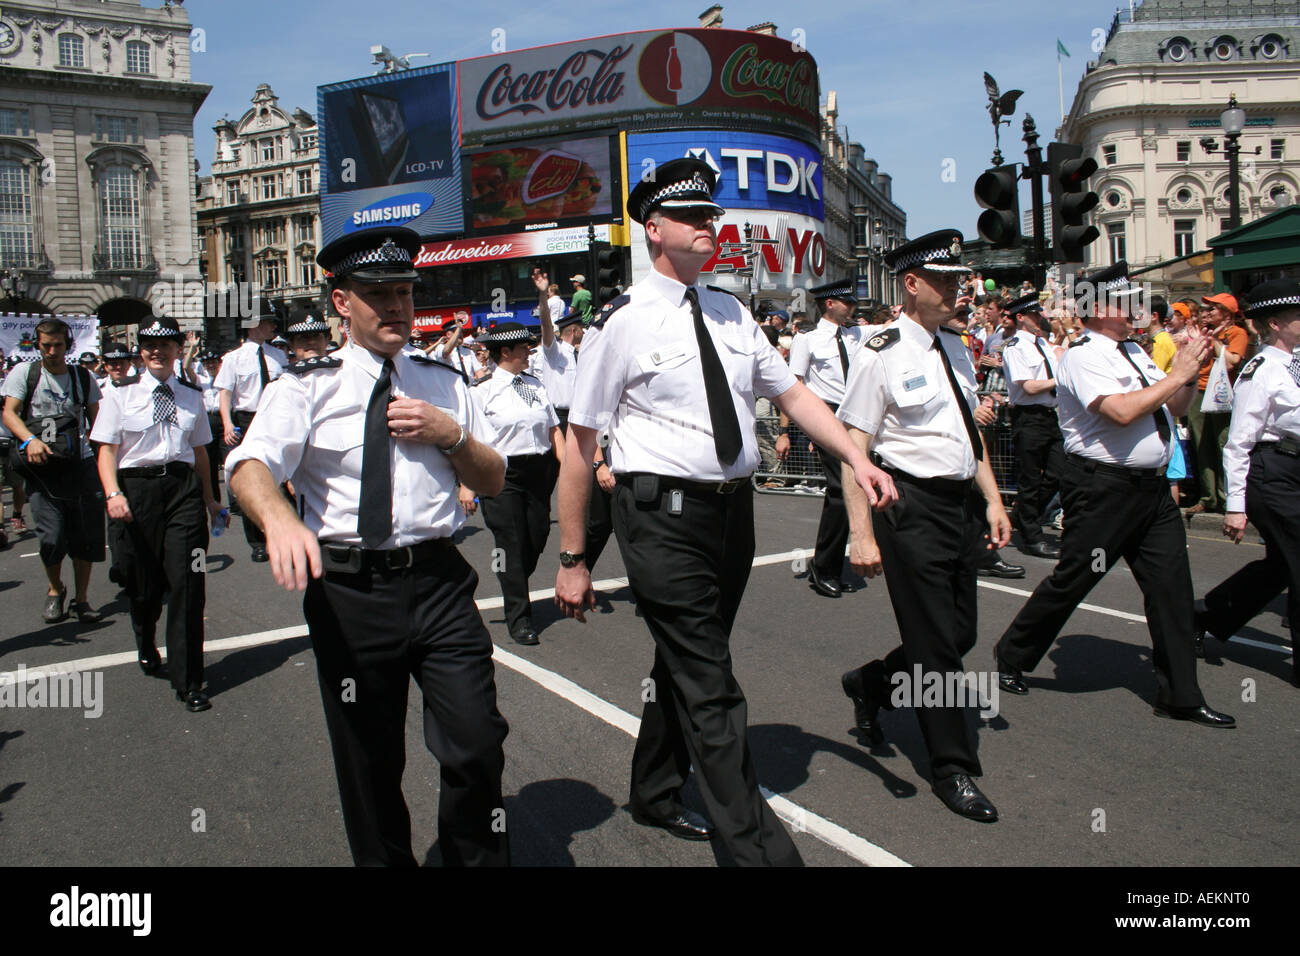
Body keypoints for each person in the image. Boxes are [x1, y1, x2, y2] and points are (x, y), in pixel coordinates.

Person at [552, 158, 897, 865]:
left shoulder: (731, 310)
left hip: (731, 518)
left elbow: (794, 396)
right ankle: (756, 850)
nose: (714, 225)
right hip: (660, 519)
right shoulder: (619, 322)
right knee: (711, 685)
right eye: (696, 217)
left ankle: (653, 790)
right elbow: (579, 447)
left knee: (686, 659)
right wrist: (572, 558)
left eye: (714, 215)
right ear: (655, 229)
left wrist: (855, 459)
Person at [225, 225, 510, 867]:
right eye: (377, 293)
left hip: (440, 583)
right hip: (352, 594)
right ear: (341, 302)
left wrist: (450, 435)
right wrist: (279, 519)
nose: (396, 307)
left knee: (476, 742)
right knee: (370, 761)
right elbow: (249, 465)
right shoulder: (304, 387)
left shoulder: (444, 381)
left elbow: (492, 478)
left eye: (404, 292)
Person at [993, 262, 1235, 728]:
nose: (1137, 310)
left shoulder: (1133, 351)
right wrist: (1175, 374)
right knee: (1074, 580)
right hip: (1104, 489)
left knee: (1171, 590)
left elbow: (1174, 406)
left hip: (1151, 490)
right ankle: (1013, 653)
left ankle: (1180, 694)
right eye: (1127, 302)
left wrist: (1186, 374)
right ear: (1099, 308)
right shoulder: (1084, 355)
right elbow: (1120, 413)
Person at [837, 229, 1011, 823]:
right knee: (938, 645)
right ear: (912, 284)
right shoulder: (880, 351)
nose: (958, 288)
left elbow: (970, 434)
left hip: (961, 505)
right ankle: (951, 767)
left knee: (958, 633)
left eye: (960, 279)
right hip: (909, 507)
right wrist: (859, 533)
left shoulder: (955, 347)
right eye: (945, 279)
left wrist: (993, 499)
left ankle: (873, 683)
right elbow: (852, 447)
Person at [92, 316, 224, 710]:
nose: (156, 351)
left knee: (187, 582)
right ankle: (145, 635)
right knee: (143, 583)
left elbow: (200, 451)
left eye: (165, 345)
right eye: (149, 344)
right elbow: (106, 451)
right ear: (140, 350)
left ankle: (190, 680)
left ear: (177, 349)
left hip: (181, 490)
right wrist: (113, 493)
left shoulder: (191, 395)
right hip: (135, 492)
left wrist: (211, 500)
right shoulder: (120, 395)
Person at [1192, 279, 1300, 684]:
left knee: (1281, 567)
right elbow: (1238, 443)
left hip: (1295, 469)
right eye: (1297, 317)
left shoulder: (1298, 363)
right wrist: (1235, 505)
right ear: (1275, 323)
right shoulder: (1261, 370)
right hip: (1273, 474)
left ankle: (1202, 615)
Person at [2, 318, 106, 623]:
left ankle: (82, 599)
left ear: (67, 345)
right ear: (37, 345)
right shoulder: (26, 373)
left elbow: (97, 423)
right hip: (43, 468)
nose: (51, 351)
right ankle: (55, 589)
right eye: (45, 345)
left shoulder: (82, 377)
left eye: (57, 345)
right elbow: (9, 412)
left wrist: (106, 464)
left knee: (85, 536)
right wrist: (30, 440)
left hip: (80, 465)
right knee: (52, 537)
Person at [469, 322, 562, 647]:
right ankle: (519, 618)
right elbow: (470, 443)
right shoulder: (480, 393)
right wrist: (467, 485)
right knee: (510, 540)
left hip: (540, 471)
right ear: (505, 352)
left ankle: (515, 578)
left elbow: (554, 430)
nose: (529, 352)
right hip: (502, 474)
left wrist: (571, 468)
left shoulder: (536, 386)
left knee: (537, 536)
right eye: (523, 347)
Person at [786, 278, 864, 597]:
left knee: (851, 490)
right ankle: (824, 567)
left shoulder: (857, 334)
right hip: (826, 414)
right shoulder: (808, 340)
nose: (853, 307)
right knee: (839, 489)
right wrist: (799, 430)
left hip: (856, 414)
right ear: (829, 304)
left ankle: (831, 564)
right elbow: (796, 386)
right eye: (847, 302)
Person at [214, 303, 286, 562]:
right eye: (268, 322)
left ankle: (277, 532)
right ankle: (257, 541)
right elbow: (225, 393)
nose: (273, 326)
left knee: (278, 477)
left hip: (274, 419)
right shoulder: (233, 358)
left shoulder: (278, 356)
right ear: (254, 324)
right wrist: (226, 423)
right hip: (247, 419)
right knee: (250, 480)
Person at [1001, 291, 1064, 560]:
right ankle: (1031, 537)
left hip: (1049, 415)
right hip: (1028, 417)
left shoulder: (1043, 345)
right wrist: (1060, 379)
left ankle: (1023, 516)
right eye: (1035, 314)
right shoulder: (1016, 346)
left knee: (1059, 472)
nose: (1040, 318)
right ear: (1021, 318)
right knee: (1030, 479)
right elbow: (1028, 385)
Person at [1185, 292, 1249, 517]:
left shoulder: (1237, 333)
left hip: (1223, 395)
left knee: (1223, 444)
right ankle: (1208, 497)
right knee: (1202, 445)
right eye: (1205, 309)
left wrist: (1213, 341)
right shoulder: (1206, 333)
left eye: (1212, 309)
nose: (1206, 312)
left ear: (1227, 313)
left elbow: (1232, 361)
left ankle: (1227, 497)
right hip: (1199, 392)